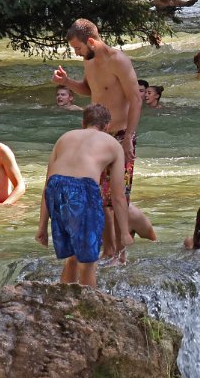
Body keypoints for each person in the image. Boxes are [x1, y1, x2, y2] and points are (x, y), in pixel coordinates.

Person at [51, 19, 144, 257]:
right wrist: (67, 83)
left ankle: (120, 254)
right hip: (97, 135)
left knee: (117, 199)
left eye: (78, 48)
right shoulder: (89, 60)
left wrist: (128, 138)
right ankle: (108, 252)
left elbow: (136, 99)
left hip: (121, 134)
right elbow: (89, 89)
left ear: (91, 41)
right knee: (98, 197)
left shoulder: (118, 61)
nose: (76, 53)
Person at [36, 104, 132, 287]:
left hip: (56, 188)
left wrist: (41, 228)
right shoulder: (113, 144)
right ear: (107, 126)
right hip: (83, 189)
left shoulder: (64, 138)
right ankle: (89, 313)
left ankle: (64, 306)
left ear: (83, 123)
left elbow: (47, 185)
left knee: (72, 258)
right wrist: (125, 233)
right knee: (88, 263)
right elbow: (118, 196)